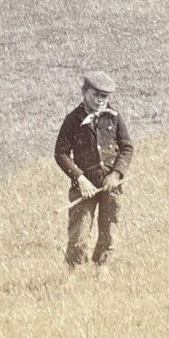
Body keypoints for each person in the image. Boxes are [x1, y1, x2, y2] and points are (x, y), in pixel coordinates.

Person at [54, 70, 134, 268]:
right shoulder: (73, 119)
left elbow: (127, 148)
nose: (100, 100)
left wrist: (116, 174)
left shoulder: (114, 118)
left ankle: (102, 267)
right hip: (84, 188)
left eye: (104, 96)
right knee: (79, 233)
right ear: (84, 92)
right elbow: (61, 154)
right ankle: (73, 271)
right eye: (95, 95)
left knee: (109, 228)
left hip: (110, 186)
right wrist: (80, 179)